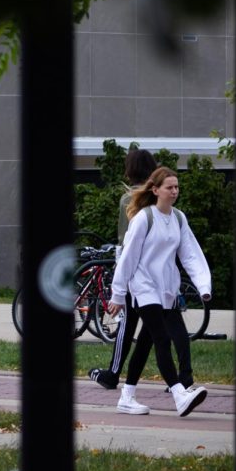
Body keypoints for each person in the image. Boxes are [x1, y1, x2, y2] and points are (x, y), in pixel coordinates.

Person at [106, 166, 210, 418]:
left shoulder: (178, 218)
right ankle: (179, 395)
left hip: (166, 290)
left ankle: (127, 397)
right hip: (143, 287)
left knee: (145, 343)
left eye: (176, 187)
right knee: (162, 339)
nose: (174, 191)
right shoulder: (144, 218)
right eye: (169, 187)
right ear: (155, 190)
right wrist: (118, 295)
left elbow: (191, 254)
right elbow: (128, 258)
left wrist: (204, 286)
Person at [88, 148, 158, 389]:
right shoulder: (161, 195)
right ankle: (179, 377)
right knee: (159, 327)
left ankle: (113, 372)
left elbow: (124, 240)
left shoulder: (129, 200)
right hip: (159, 271)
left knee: (127, 324)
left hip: (135, 269)